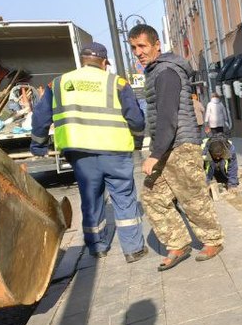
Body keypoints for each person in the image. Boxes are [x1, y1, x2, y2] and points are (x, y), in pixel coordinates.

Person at [30, 42, 147, 263]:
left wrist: (39, 145)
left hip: (80, 154)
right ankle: (133, 249)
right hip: (115, 151)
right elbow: (136, 118)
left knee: (91, 199)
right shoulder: (117, 83)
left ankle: (97, 247)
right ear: (104, 63)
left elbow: (40, 116)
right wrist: (138, 143)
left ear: (82, 61)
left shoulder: (59, 83)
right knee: (124, 198)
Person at [127, 23, 225, 270]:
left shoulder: (166, 72)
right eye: (133, 48)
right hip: (168, 146)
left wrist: (154, 154)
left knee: (192, 197)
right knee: (151, 196)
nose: (138, 52)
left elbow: (168, 116)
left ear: (156, 45)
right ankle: (178, 244)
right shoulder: (156, 72)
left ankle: (212, 240)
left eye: (142, 46)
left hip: (180, 146)